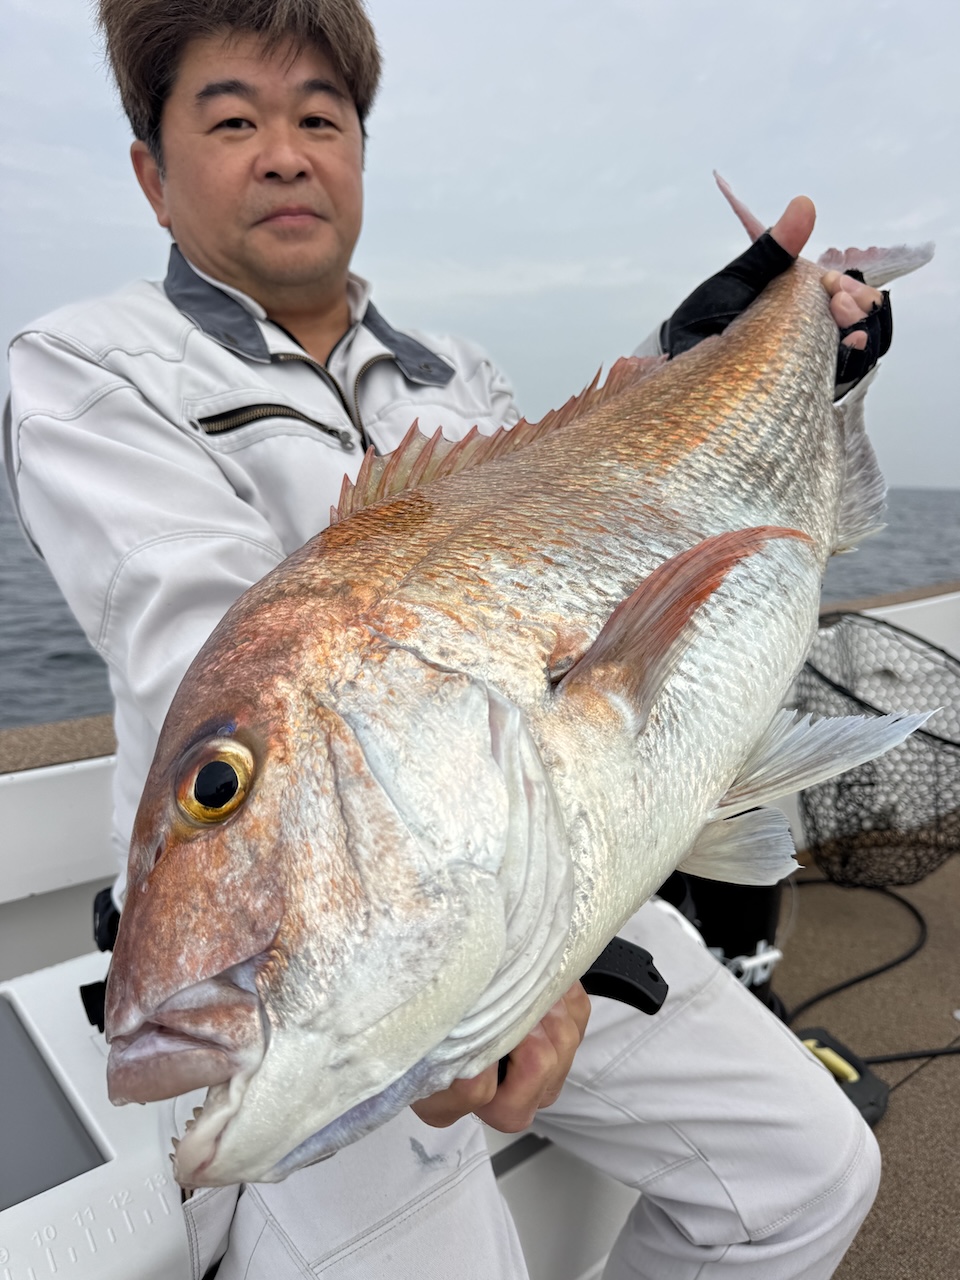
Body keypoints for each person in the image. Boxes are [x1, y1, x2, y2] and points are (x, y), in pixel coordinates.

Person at [4, 2, 892, 1276]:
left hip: (553, 863)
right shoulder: (91, 366)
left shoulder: (454, 373)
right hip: (315, 945)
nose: (285, 153)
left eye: (321, 118)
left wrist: (723, 357)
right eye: (234, 120)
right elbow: (212, 636)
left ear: (362, 152)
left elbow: (598, 499)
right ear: (152, 173)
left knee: (810, 1172)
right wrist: (475, 934)